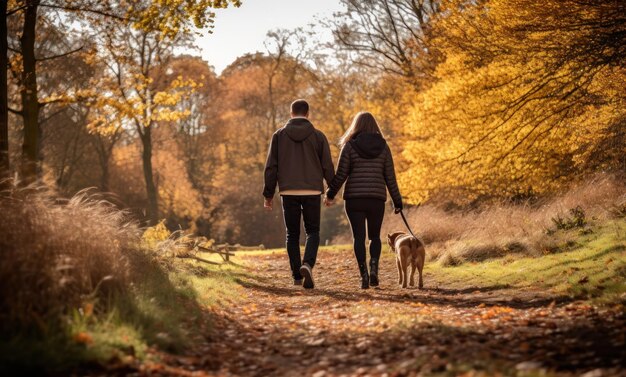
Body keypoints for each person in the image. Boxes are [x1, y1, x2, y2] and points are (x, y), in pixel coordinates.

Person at [325, 112, 403, 289]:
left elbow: (341, 174)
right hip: (376, 198)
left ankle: (364, 275)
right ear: (374, 125)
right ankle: (374, 268)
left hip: (354, 199)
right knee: (374, 237)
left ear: (356, 125)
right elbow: (390, 177)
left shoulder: (350, 146)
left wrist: (330, 194)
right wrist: (397, 201)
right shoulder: (383, 147)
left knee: (358, 238)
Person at [263, 99, 335, 289]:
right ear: (308, 114)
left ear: (291, 113)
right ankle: (307, 264)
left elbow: (271, 167)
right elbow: (328, 166)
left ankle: (297, 275)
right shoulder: (319, 136)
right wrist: (331, 191)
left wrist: (268, 195)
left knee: (292, 234)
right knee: (313, 232)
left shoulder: (278, 136)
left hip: (288, 190)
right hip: (312, 190)